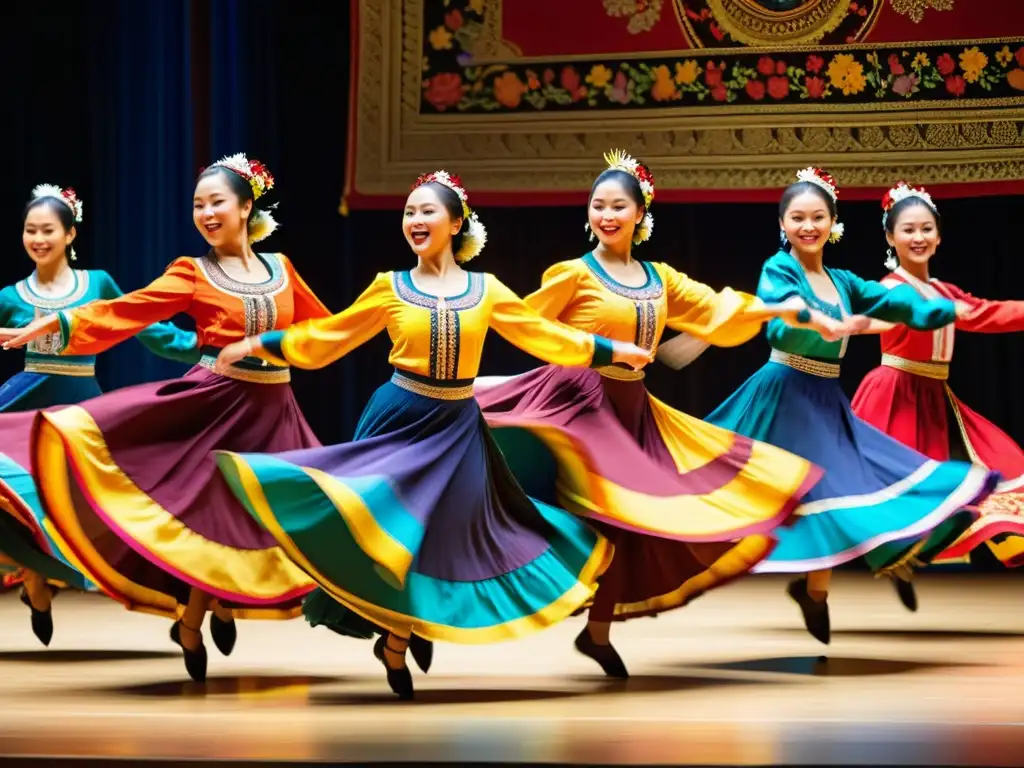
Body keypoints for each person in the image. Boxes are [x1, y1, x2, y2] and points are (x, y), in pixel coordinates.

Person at [213, 170, 652, 699]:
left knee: (449, 538)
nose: (415, 221)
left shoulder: (485, 290)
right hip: (400, 419)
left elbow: (547, 337)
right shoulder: (388, 287)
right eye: (409, 213)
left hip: (457, 428)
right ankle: (397, 636)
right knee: (396, 534)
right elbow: (328, 339)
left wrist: (612, 352)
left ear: (456, 222)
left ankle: (397, 639)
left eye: (427, 212)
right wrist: (262, 343)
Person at [473, 150, 854, 677]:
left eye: (618, 206)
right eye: (598, 205)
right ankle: (432, 611)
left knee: (634, 523)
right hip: (575, 403)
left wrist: (779, 309)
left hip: (630, 408)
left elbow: (717, 309)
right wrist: (589, 348)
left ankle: (597, 633)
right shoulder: (571, 274)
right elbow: (521, 323)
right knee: (577, 511)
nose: (607, 215)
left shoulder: (660, 279)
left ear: (640, 215)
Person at [0, 154, 332, 681]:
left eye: (216, 201)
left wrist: (276, 341)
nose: (205, 212)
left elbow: (324, 333)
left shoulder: (282, 269)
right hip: (216, 407)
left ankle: (213, 609)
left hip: (273, 411)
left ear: (246, 207)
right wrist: (58, 325)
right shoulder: (192, 272)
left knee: (279, 515)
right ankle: (194, 618)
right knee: (208, 516)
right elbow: (127, 310)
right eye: (198, 204)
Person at [690, 167, 999, 645]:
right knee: (720, 483)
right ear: (783, 224)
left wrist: (945, 310)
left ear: (832, 222)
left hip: (824, 398)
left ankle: (814, 592)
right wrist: (814, 321)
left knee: (837, 491)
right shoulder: (781, 269)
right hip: (784, 391)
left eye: (818, 217)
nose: (808, 226)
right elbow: (779, 317)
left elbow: (894, 305)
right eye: (798, 218)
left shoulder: (843, 280)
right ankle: (636, 558)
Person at [0, 183, 198, 646]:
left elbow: (139, 322)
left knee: (83, 499)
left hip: (78, 406)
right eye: (30, 230)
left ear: (69, 234)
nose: (38, 239)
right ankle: (33, 575)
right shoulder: (11, 294)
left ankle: (47, 577)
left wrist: (198, 347)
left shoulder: (98, 284)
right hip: (24, 404)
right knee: (20, 498)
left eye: (48, 230)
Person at [850, 181, 1024, 578]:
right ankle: (878, 555)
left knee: (1002, 466)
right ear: (891, 238)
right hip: (895, 396)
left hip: (934, 398)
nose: (918, 237)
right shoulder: (887, 289)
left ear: (939, 236)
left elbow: (986, 313)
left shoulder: (944, 291)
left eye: (926, 228)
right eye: (908, 229)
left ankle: (908, 551)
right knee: (894, 483)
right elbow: (858, 318)